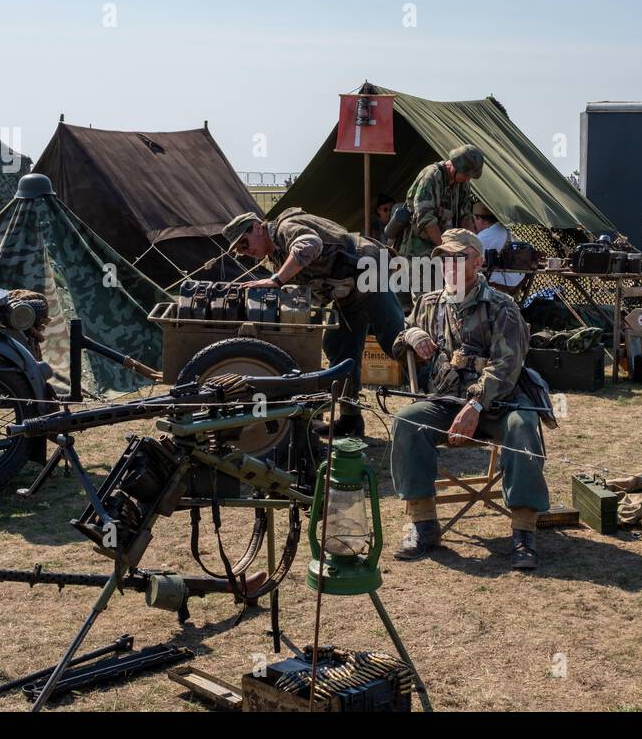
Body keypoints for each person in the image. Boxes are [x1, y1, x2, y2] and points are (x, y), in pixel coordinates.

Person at [388, 228, 550, 571]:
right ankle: (423, 525)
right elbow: (400, 338)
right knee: (406, 421)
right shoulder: (429, 304)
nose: (449, 265)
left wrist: (475, 406)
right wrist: (412, 335)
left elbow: (507, 367)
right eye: (444, 258)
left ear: (477, 262)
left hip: (499, 403)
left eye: (458, 257)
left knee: (524, 427)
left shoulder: (502, 307)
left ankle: (523, 532)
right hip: (446, 400)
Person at [222, 209, 404, 436]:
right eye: (240, 250)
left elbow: (310, 244)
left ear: (257, 227)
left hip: (370, 276)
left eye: (244, 244)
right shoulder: (277, 256)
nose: (245, 252)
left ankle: (440, 397)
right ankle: (351, 419)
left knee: (399, 342)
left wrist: (276, 280)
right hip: (347, 291)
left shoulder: (285, 228)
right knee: (338, 347)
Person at [396, 144, 485, 264]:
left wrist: (472, 246)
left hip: (443, 255)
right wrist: (446, 249)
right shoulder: (432, 177)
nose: (468, 179)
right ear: (454, 166)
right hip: (418, 254)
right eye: (466, 174)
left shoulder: (462, 184)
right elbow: (426, 219)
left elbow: (465, 217)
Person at [471, 203, 524, 289]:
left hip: (503, 280)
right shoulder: (504, 230)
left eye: (474, 220)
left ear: (479, 219)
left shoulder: (485, 236)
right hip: (515, 280)